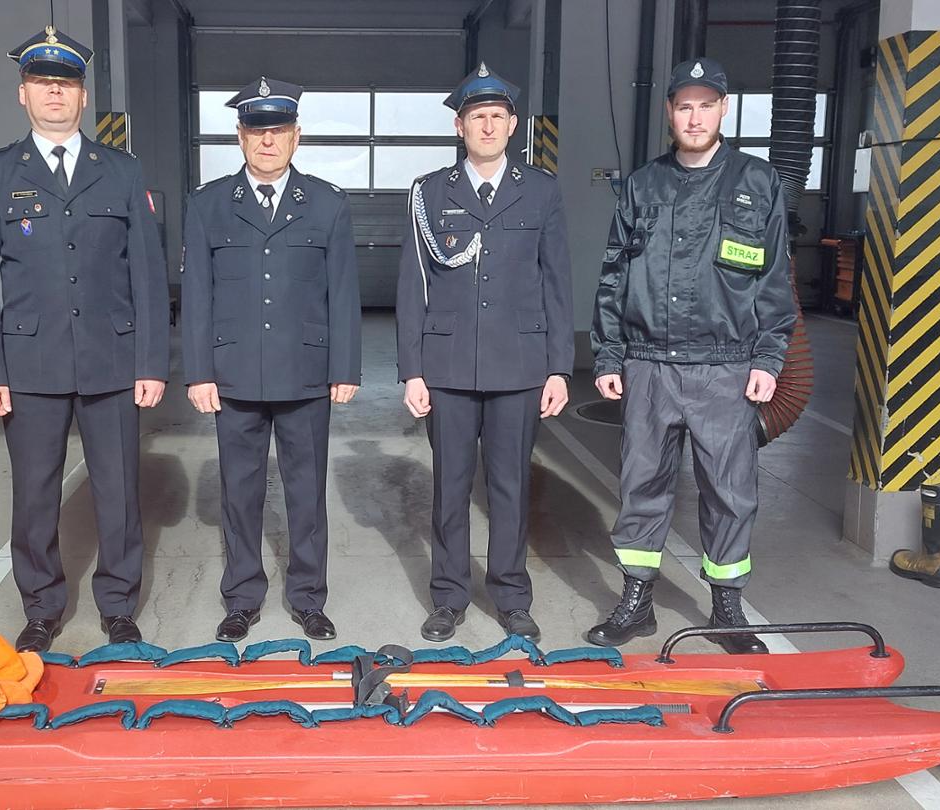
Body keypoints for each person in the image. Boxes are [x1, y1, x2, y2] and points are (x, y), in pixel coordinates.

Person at [0, 26, 169, 652]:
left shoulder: (122, 171)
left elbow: (148, 275)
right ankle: (42, 607)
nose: (55, 92)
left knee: (119, 491)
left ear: (83, 96)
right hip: (29, 363)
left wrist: (151, 362)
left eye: (66, 83)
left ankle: (118, 605)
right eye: (43, 82)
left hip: (112, 359)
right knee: (34, 495)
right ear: (23, 94)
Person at [586, 58, 797, 653]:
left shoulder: (758, 182)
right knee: (642, 486)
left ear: (724, 110)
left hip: (724, 366)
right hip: (649, 363)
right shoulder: (642, 185)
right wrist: (608, 356)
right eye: (685, 106)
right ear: (670, 112)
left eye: (706, 106)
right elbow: (613, 277)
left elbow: (775, 279)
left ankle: (726, 608)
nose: (695, 117)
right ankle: (637, 601)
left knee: (729, 490)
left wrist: (768, 358)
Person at [395, 63, 572, 644]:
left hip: (519, 367)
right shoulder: (429, 192)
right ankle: (449, 597)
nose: (488, 126)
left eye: (497, 116)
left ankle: (512, 596)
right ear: (460, 126)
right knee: (449, 487)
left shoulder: (540, 190)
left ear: (513, 124)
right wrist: (412, 370)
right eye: (477, 117)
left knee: (510, 487)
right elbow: (413, 285)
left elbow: (556, 283)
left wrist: (559, 367)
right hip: (447, 368)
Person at [181, 77, 361, 643]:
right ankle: (242, 598)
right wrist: (198, 372)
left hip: (306, 374)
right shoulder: (208, 205)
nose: (267, 141)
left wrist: (344, 367)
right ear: (240, 136)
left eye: (278, 130)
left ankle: (308, 598)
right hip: (234, 375)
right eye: (256, 130)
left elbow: (343, 292)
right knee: (240, 493)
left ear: (295, 137)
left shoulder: (328, 204)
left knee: (307, 494)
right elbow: (198, 295)